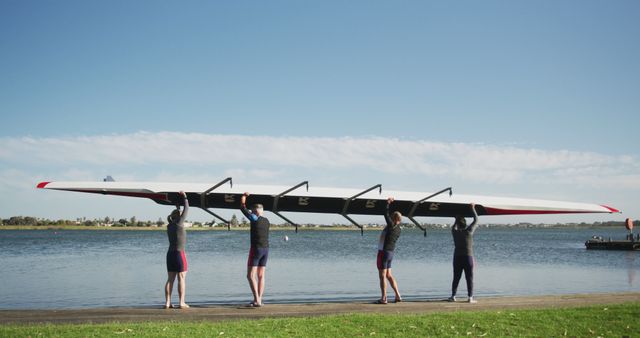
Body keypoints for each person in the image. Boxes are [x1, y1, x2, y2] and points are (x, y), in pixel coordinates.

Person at [241, 192, 270, 307]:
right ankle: (259, 300)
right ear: (262, 211)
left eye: (252, 211)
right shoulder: (267, 221)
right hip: (266, 250)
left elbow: (242, 208)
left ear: (254, 211)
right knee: (261, 275)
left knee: (250, 276)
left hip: (256, 249)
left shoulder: (254, 219)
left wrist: (244, 197)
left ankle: (257, 300)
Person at [449, 203, 479, 303]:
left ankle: (453, 296)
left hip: (457, 257)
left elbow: (454, 227)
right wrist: (472, 208)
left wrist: (456, 219)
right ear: (466, 224)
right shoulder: (469, 231)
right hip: (468, 257)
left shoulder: (454, 232)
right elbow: (476, 220)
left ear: (457, 224)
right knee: (469, 278)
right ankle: (470, 297)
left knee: (456, 277)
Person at [164, 191, 189, 309]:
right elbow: (186, 209)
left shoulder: (169, 225)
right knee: (181, 278)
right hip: (179, 254)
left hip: (170, 255)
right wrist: (184, 197)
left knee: (170, 279)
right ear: (178, 217)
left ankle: (167, 303)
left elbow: (177, 214)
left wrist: (177, 208)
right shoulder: (179, 223)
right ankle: (181, 302)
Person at [375, 197, 402, 304]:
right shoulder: (399, 229)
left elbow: (385, 213)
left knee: (382, 277)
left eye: (391, 217)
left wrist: (387, 203)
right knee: (389, 275)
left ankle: (384, 298)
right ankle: (398, 295)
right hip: (391, 253)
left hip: (383, 253)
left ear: (393, 218)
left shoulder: (391, 226)